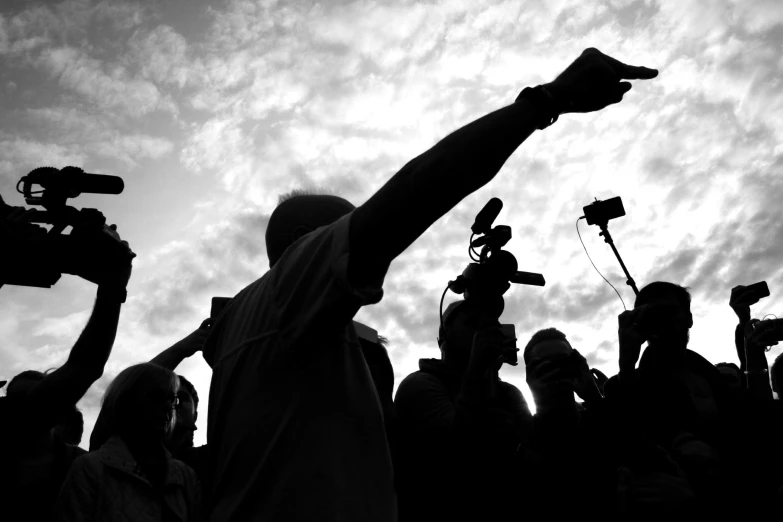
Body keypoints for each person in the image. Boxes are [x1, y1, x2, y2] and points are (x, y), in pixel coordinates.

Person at [202, 47, 658, 522]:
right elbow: (423, 185)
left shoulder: (263, 333)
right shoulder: (287, 287)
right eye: (349, 230)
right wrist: (546, 101)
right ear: (302, 247)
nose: (375, 250)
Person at [0, 241, 133, 521]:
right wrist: (111, 287)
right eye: (14, 401)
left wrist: (112, 287)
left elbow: (85, 365)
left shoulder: (81, 466)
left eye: (35, 397)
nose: (27, 408)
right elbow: (86, 365)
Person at [394, 298, 534, 522]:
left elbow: (536, 457)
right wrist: (478, 369)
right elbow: (455, 454)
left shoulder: (508, 393)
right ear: (445, 335)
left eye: (489, 327)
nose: (482, 332)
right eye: (472, 323)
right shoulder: (419, 385)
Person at [54, 363, 201, 522]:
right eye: (157, 396)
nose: (168, 405)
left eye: (172, 399)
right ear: (126, 400)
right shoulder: (89, 468)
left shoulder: (185, 476)